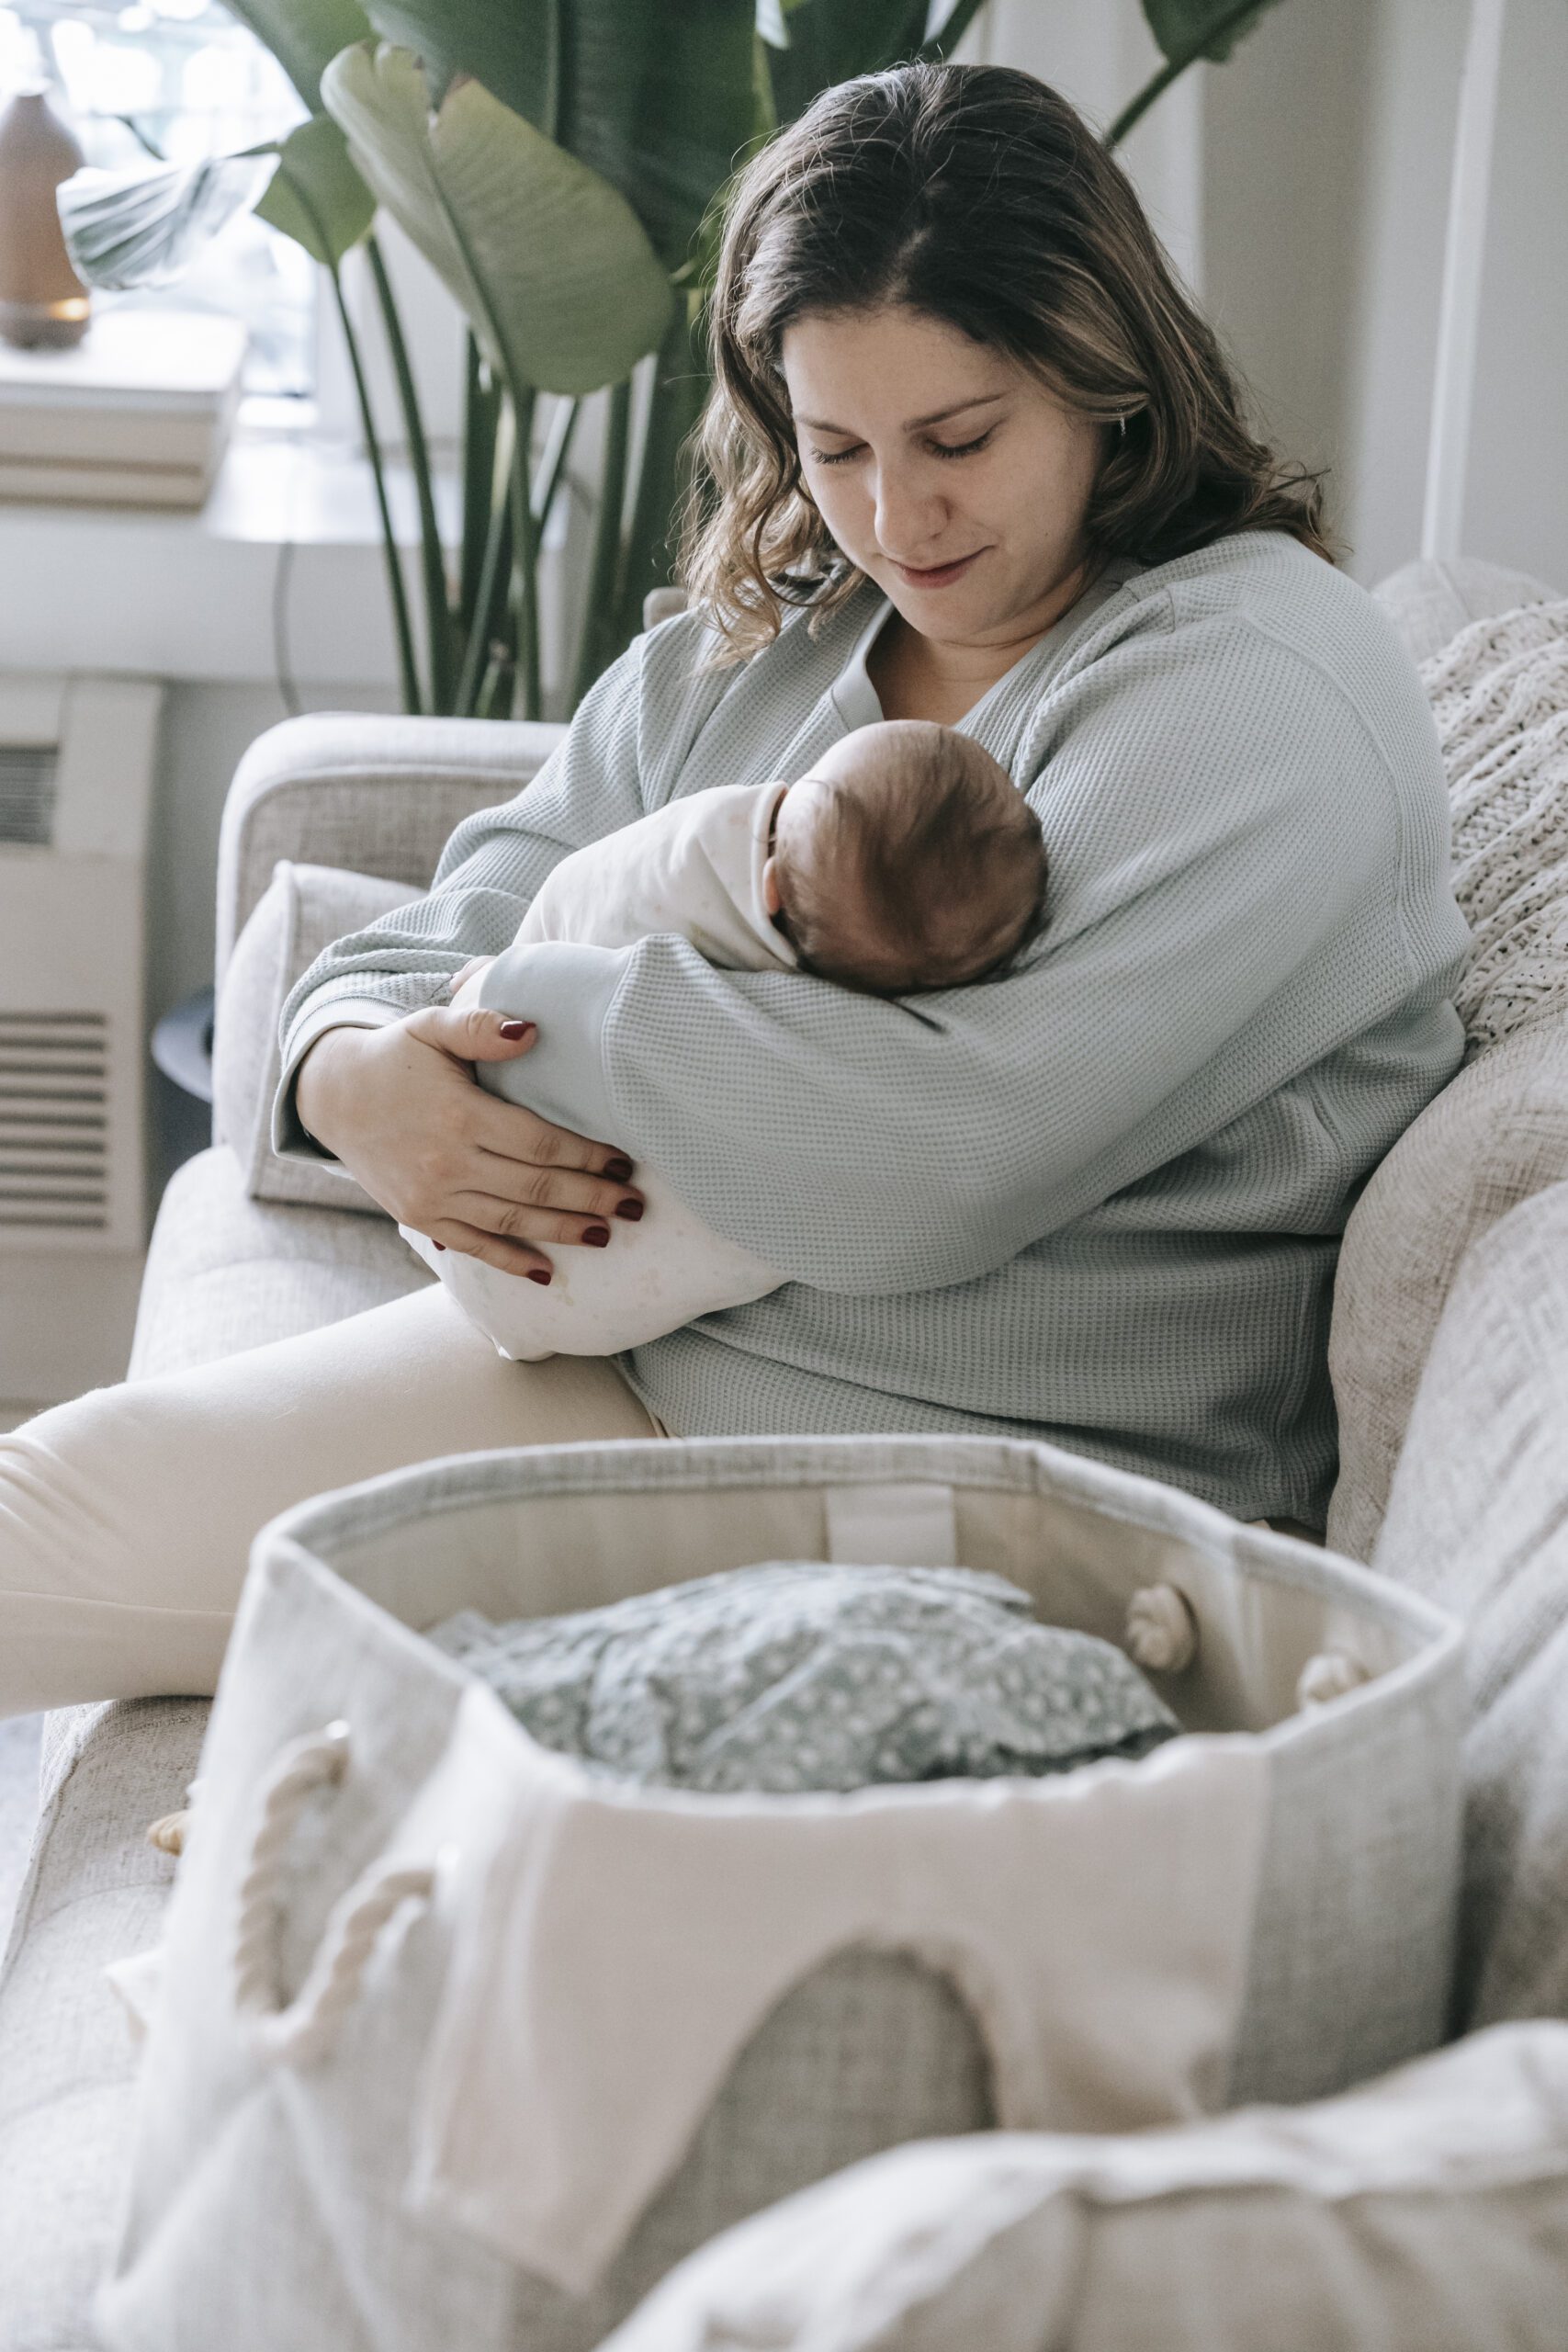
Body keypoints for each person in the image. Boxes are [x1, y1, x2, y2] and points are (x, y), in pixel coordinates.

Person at [0, 61, 1469, 1714]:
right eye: (833, 443)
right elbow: (468, 903)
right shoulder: (768, 641)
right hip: (641, 1360)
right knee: (36, 1521)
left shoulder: (1255, 682)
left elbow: (931, 1162)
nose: (893, 516)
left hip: (985, 1483)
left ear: (1103, 378)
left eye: (958, 439)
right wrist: (351, 1076)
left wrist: (517, 1019)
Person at [407, 718, 1046, 1361]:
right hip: (576, 1306)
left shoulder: (697, 866)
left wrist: (502, 981)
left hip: (508, 1241)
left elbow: (582, 897)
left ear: (768, 884)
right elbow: (461, 902)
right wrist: (339, 1060)